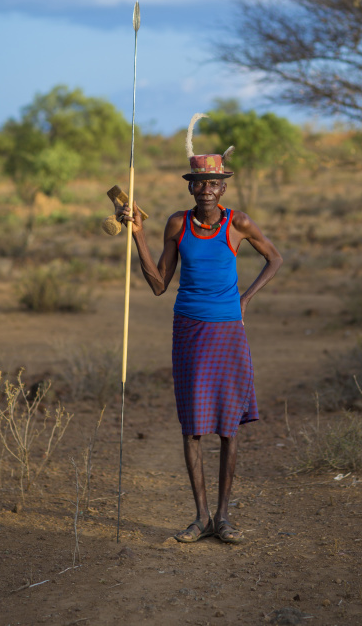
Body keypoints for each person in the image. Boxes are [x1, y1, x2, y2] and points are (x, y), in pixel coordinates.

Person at [117, 113, 282, 544]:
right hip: (189, 329)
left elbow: (275, 258)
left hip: (229, 330)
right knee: (192, 427)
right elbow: (158, 285)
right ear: (190, 186)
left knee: (228, 427)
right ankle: (201, 518)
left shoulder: (238, 222)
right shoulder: (176, 223)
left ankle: (224, 518)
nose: (206, 190)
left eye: (213, 184)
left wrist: (245, 298)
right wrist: (138, 235)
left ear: (223, 188)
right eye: (199, 183)